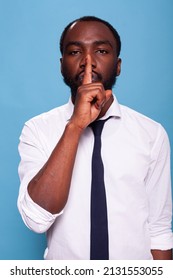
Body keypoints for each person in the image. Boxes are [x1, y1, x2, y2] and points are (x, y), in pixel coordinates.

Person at [17, 16, 173, 260]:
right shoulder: (37, 129)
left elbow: (159, 229)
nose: (87, 62)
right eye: (75, 51)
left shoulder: (151, 134)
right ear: (61, 65)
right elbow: (36, 220)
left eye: (101, 50)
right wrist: (75, 126)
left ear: (118, 65)